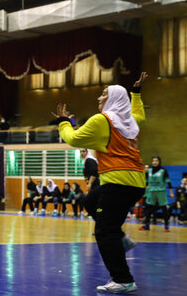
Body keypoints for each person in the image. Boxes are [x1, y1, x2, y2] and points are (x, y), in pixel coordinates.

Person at [55, 72, 148, 294]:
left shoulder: (101, 121)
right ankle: (121, 239)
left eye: (104, 94)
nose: (99, 98)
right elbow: (138, 112)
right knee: (90, 202)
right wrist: (135, 94)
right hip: (135, 182)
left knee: (104, 232)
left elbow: (74, 139)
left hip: (117, 182)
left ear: (114, 100)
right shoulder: (131, 122)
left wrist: (64, 122)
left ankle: (123, 279)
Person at [140, 156, 174, 232]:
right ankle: (147, 225)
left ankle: (166, 226)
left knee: (164, 209)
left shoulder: (163, 170)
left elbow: (168, 182)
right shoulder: (149, 171)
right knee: (148, 209)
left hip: (161, 192)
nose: (155, 162)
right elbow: (146, 182)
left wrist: (171, 192)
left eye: (156, 161)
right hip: (151, 192)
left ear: (159, 162)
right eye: (153, 161)